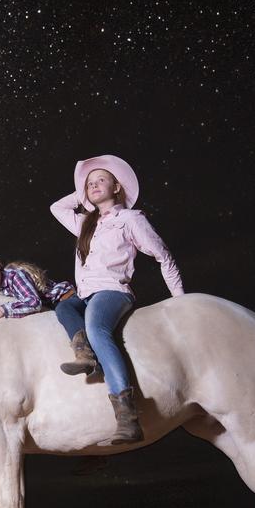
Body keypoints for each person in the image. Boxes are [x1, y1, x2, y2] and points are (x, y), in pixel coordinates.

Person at [50, 154, 184, 445]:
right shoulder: (86, 224)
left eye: (101, 180)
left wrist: (181, 301)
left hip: (113, 291)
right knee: (64, 307)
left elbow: (164, 256)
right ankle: (85, 355)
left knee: (97, 327)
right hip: (85, 294)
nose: (94, 185)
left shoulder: (131, 219)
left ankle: (127, 416)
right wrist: (83, 193)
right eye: (90, 183)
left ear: (117, 188)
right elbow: (56, 207)